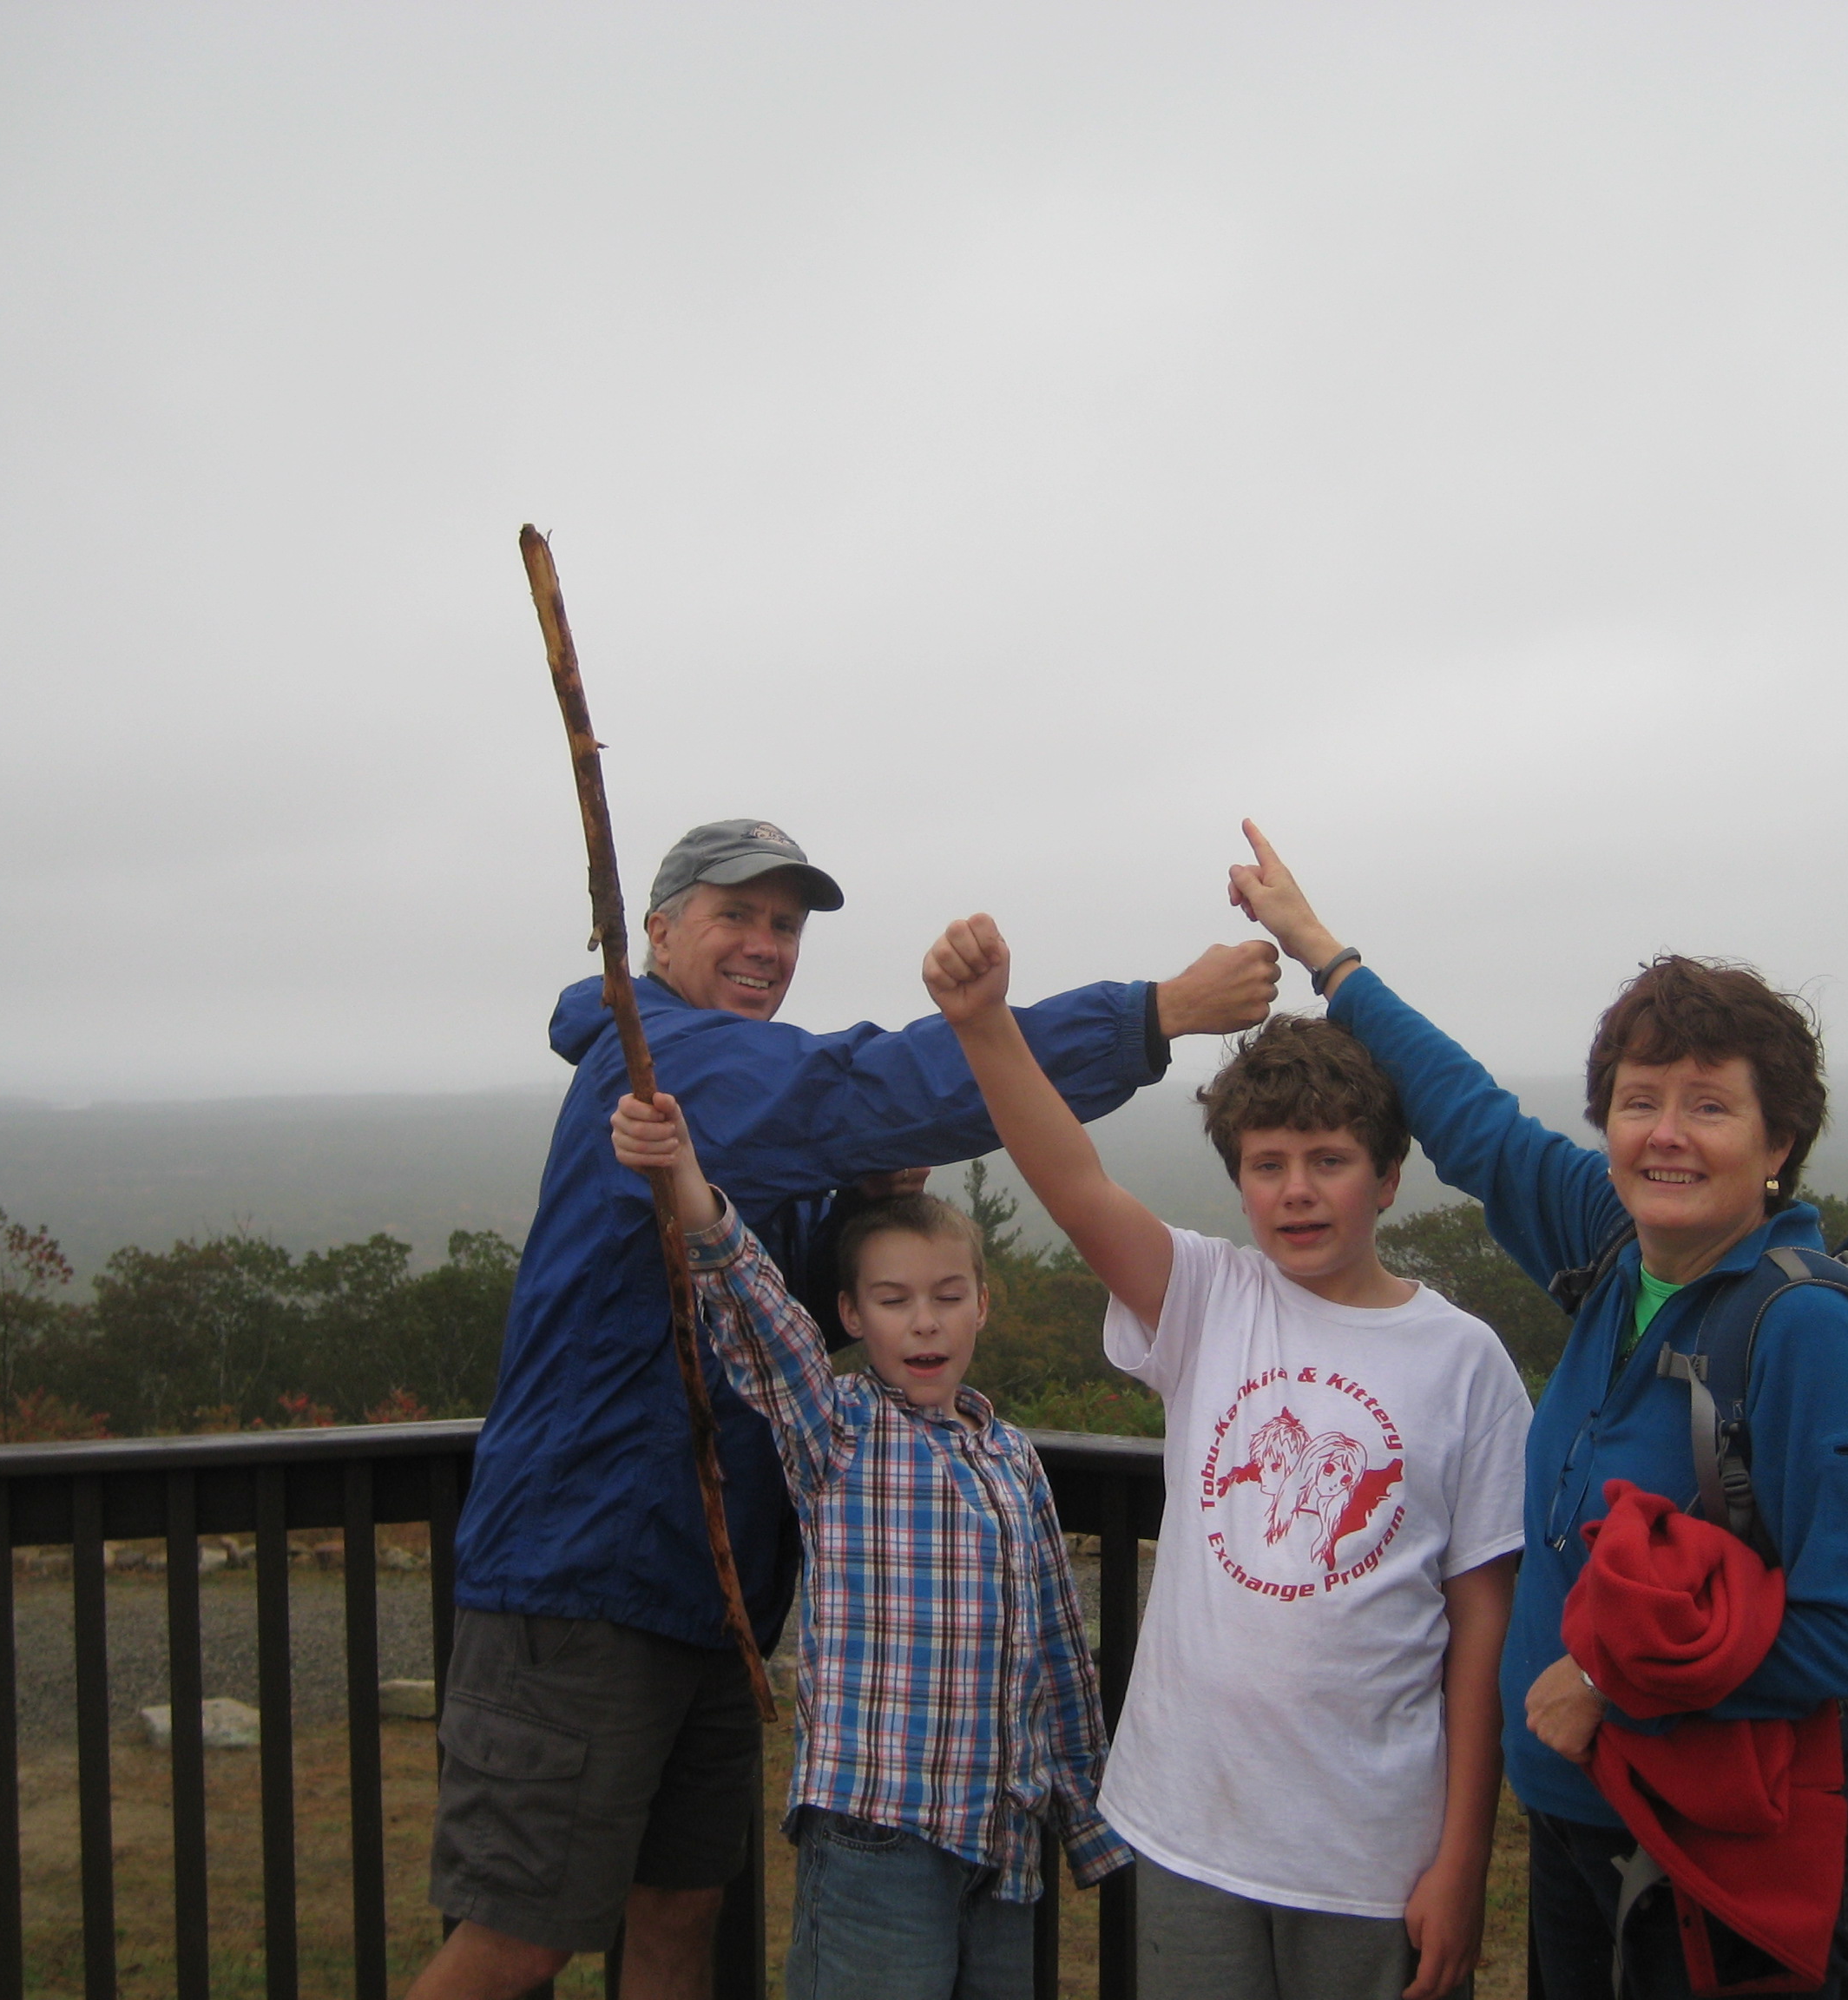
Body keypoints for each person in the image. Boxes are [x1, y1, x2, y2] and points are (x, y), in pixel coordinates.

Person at [411, 820, 1279, 2000]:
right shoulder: (654, 1063)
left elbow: (776, 1304)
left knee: (681, 1913)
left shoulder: (712, 1087)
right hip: (582, 1576)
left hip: (708, 1594)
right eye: (736, 915)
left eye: (785, 925)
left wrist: (862, 1202)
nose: (766, 944)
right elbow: (859, 1087)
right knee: (520, 1936)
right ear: (656, 931)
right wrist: (1151, 1016)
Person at [1224, 821, 1848, 2000]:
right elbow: (1473, 1124)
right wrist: (1322, 953)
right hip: (1580, 1827)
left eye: (1710, 1107)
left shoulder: (1806, 1332)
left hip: (1718, 1860)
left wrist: (1610, 1684)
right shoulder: (1616, 1251)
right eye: (1639, 1103)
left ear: (1780, 1143)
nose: (1665, 1135)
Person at [923, 912, 1529, 2000]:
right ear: (1239, 1179)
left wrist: (1463, 1857)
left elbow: (1483, 1620)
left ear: (1388, 1178)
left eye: (1330, 1161)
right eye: (1267, 1164)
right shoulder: (1208, 1298)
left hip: (1372, 1853)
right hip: (1188, 1823)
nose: (1296, 1189)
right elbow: (1075, 1184)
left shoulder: (1463, 1360)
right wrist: (983, 1026)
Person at [608, 1086, 1127, 2000]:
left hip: (1004, 1844)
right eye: (894, 1300)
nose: (924, 1320)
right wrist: (685, 1175)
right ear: (851, 1314)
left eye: (947, 1296)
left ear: (982, 1306)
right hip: (877, 1831)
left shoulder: (1011, 1457)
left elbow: (1057, 1648)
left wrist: (1088, 1820)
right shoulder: (837, 1429)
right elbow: (757, 1315)